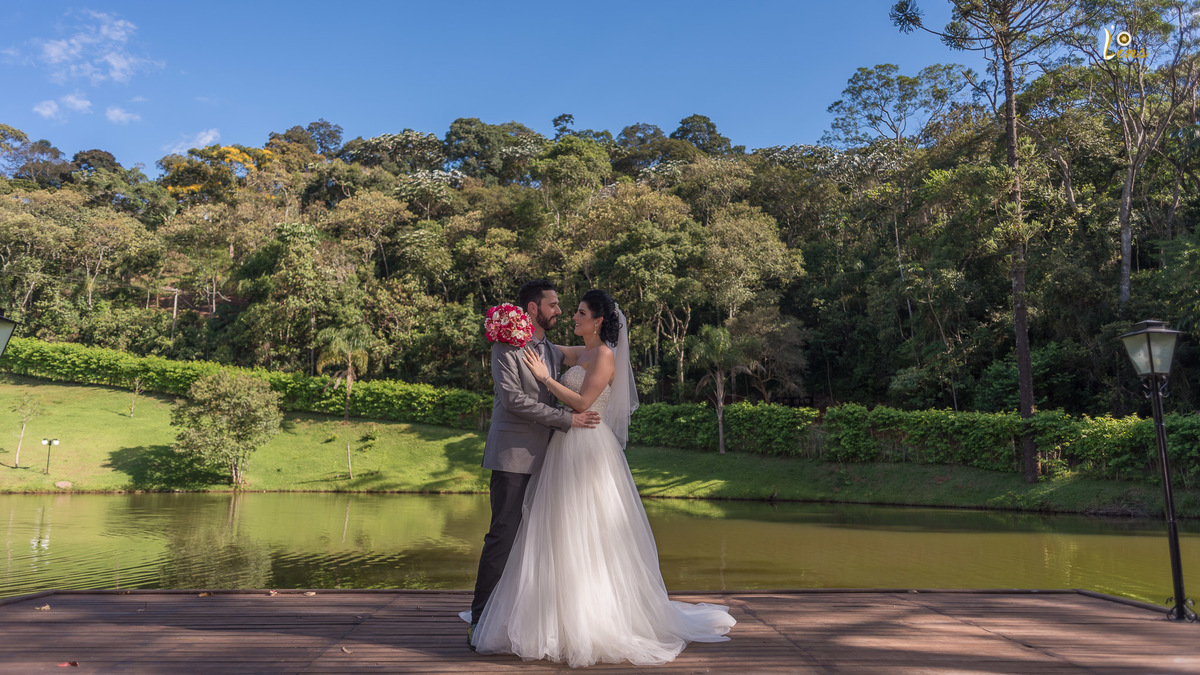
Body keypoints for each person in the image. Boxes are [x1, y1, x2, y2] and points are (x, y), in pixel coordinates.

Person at [466, 289, 736, 667]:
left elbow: (580, 403)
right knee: (553, 532)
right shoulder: (578, 352)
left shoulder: (605, 356)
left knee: (589, 531)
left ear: (597, 320)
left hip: (588, 448)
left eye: (578, 312)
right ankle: (547, 614)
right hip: (560, 448)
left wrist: (546, 379)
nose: (570, 315)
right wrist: (511, 331)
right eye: (564, 308)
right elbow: (545, 349)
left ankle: (591, 617)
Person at [466, 280, 601, 647]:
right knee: (503, 536)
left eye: (561, 306)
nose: (559, 310)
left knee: (539, 542)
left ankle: (524, 620)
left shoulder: (551, 352)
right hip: (513, 456)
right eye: (554, 305)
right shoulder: (505, 347)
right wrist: (567, 420)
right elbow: (513, 400)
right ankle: (480, 620)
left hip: (552, 460)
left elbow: (597, 350)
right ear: (532, 308)